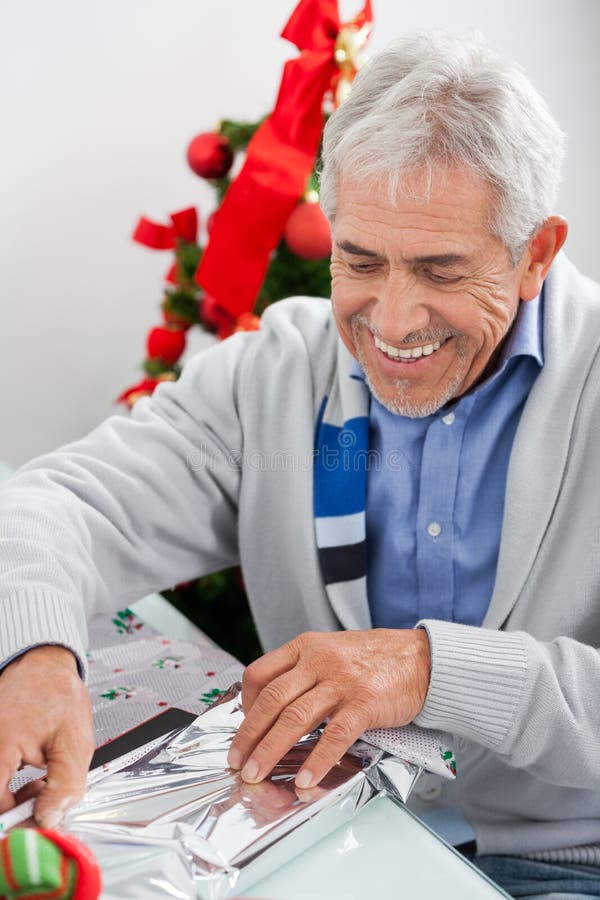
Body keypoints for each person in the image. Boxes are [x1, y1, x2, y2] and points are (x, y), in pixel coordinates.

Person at [1, 29, 599, 898]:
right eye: (360, 260)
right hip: (321, 841)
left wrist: (430, 671)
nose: (392, 324)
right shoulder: (273, 373)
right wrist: (38, 654)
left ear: (536, 253)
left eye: (440, 268)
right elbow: (59, 503)